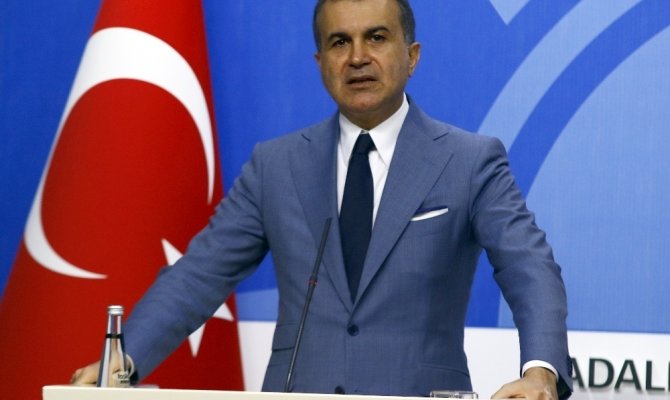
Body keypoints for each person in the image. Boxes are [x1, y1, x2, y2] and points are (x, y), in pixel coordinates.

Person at [72, 0, 572, 398]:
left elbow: (529, 267)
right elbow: (199, 274)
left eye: (376, 37)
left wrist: (540, 372)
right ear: (320, 63)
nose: (357, 57)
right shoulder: (276, 165)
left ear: (412, 56)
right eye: (339, 42)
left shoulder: (469, 160)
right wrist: (125, 357)